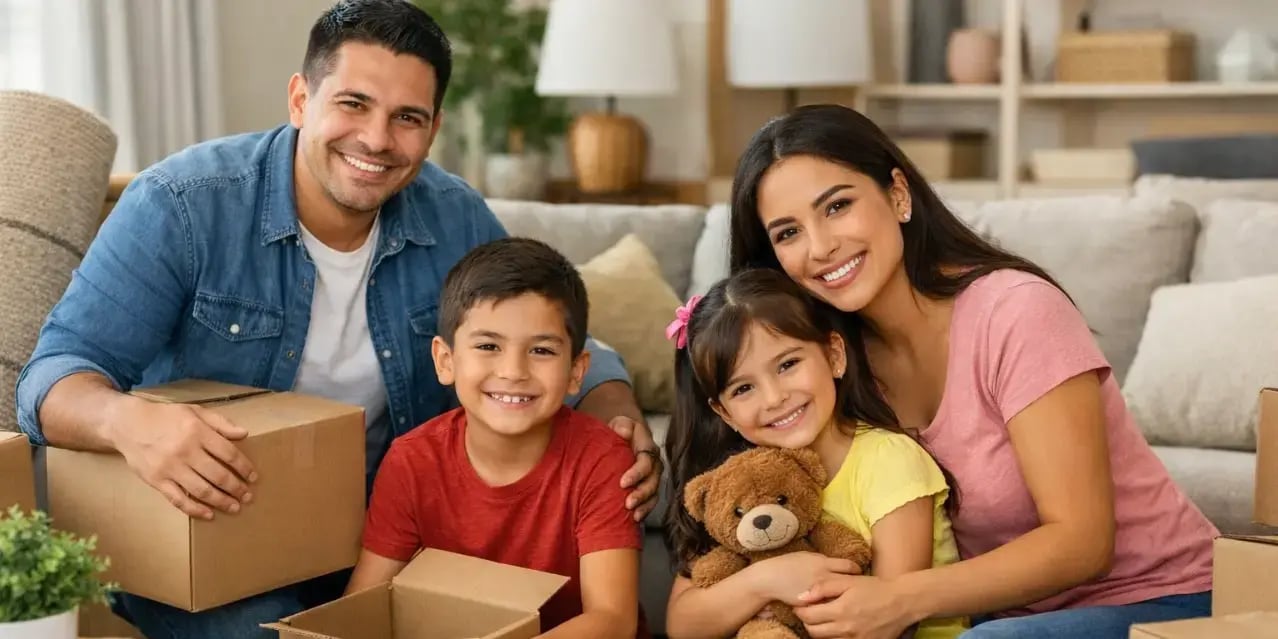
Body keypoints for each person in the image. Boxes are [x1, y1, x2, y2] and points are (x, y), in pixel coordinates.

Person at [14, 2, 660, 637]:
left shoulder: (452, 216)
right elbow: (50, 378)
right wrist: (130, 421)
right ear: (301, 99)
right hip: (212, 546)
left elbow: (552, 332)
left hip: (378, 536)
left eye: (407, 117)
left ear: (432, 129)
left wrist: (611, 407)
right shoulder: (180, 206)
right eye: (353, 104)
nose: (377, 140)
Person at [716, 103, 1217, 639]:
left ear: (898, 195)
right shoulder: (826, 358)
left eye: (837, 206)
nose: (820, 247)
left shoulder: (1017, 311)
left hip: (1163, 598)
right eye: (788, 233)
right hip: (996, 613)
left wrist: (897, 600)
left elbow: (1083, 543)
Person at [347, 237, 646, 638]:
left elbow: (612, 620)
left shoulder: (601, 459)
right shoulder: (412, 460)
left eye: (541, 351)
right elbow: (363, 606)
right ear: (445, 360)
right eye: (488, 345)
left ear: (577, 371)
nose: (513, 371)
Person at [661, 267, 968, 639]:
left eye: (788, 364)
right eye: (743, 389)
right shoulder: (739, 482)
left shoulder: (890, 460)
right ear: (725, 414)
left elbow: (890, 623)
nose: (775, 398)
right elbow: (682, 624)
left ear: (835, 355)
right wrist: (767, 580)